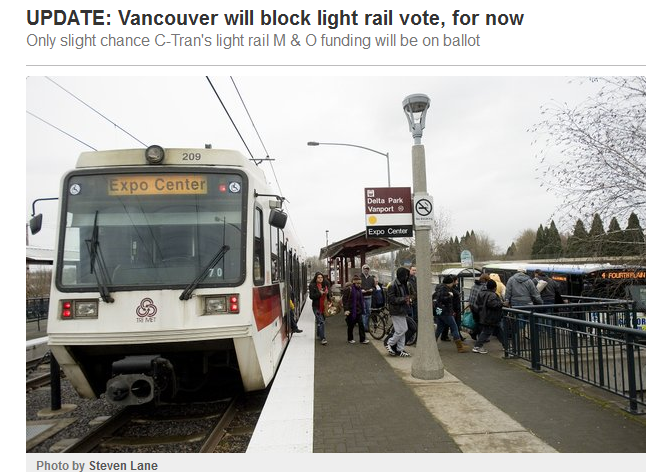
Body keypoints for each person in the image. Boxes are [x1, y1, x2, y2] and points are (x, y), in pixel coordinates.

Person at [432, 275, 470, 353]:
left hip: (439, 312)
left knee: (439, 329)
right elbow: (444, 299)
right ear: (449, 283)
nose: (453, 284)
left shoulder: (439, 288)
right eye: (452, 283)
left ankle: (432, 345)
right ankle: (460, 347)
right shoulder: (445, 290)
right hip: (446, 312)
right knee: (454, 328)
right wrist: (450, 296)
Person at [471, 280, 505, 354]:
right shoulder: (492, 295)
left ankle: (506, 346)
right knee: (486, 332)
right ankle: (477, 346)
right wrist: (502, 304)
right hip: (491, 317)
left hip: (484, 315)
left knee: (498, 331)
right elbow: (493, 304)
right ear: (495, 287)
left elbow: (477, 303)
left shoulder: (481, 293)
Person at [385, 267, 412, 357]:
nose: (407, 277)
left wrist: (406, 300)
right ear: (402, 275)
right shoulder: (393, 285)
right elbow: (391, 299)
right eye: (406, 275)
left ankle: (400, 349)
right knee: (401, 330)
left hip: (401, 310)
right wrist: (404, 299)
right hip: (396, 311)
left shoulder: (402, 283)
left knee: (403, 330)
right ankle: (389, 343)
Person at [342, 274, 370, 344]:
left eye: (360, 283)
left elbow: (360, 300)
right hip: (351, 310)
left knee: (361, 325)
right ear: (353, 282)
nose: (359, 285)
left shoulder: (359, 290)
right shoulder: (349, 289)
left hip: (358, 310)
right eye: (357, 283)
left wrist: (362, 308)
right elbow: (344, 300)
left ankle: (362, 339)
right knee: (351, 326)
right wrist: (346, 310)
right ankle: (350, 338)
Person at [467, 274, 490, 340]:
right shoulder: (484, 287)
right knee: (481, 322)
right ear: (485, 280)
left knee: (477, 321)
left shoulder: (474, 285)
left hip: (472, 306)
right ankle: (474, 333)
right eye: (487, 280)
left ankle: (479, 336)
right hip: (478, 307)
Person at [309, 272, 330, 345]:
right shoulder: (312, 285)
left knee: (320, 321)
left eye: (321, 277)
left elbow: (328, 295)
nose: (320, 279)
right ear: (316, 278)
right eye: (318, 277)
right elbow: (311, 296)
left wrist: (328, 294)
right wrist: (319, 294)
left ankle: (318, 334)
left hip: (324, 306)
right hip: (316, 307)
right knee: (321, 321)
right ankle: (323, 338)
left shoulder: (325, 285)